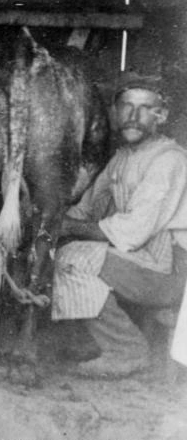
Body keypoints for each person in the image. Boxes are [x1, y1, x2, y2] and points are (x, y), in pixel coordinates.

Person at [52, 71, 187, 378]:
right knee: (66, 250)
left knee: (74, 260)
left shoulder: (169, 160)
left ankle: (127, 350)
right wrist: (51, 220)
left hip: (172, 271)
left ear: (161, 115)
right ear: (114, 112)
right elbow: (86, 210)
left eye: (145, 109)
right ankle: (99, 341)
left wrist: (67, 229)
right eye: (126, 106)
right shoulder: (123, 157)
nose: (133, 116)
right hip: (144, 261)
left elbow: (131, 231)